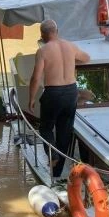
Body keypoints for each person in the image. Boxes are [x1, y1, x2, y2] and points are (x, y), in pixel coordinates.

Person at [28, 19, 90, 179]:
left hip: (53, 93)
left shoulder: (43, 51)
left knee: (45, 128)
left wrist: (32, 98)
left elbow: (36, 78)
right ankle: (56, 173)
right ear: (57, 31)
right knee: (65, 132)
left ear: (42, 35)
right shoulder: (70, 46)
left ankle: (53, 155)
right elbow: (86, 58)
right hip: (71, 92)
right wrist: (72, 60)